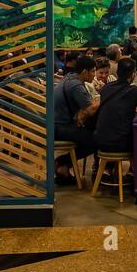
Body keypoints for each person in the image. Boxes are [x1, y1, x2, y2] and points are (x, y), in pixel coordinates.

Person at [55, 54, 100, 183]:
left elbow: (84, 110)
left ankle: (63, 166)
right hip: (58, 127)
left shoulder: (69, 79)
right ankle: (62, 163)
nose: (94, 75)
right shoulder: (76, 85)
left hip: (57, 125)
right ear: (85, 72)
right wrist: (103, 98)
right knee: (95, 139)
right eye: (93, 71)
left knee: (90, 135)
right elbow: (90, 109)